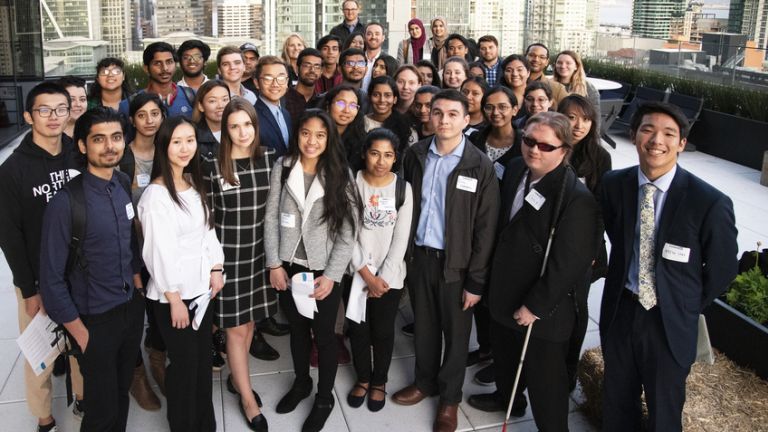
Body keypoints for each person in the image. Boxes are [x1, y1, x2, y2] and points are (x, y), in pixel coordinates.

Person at [600, 102, 738, 431]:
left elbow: (722, 270)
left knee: (664, 411)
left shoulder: (709, 201)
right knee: (617, 403)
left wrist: (684, 302)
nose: (656, 140)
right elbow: (615, 236)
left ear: (681, 144)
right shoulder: (613, 185)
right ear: (633, 136)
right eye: (647, 129)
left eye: (668, 133)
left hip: (669, 321)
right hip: (622, 311)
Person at [467, 112, 601, 432]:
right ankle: (508, 398)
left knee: (546, 383)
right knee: (506, 359)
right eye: (528, 140)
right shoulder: (515, 169)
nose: (534, 150)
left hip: (541, 308)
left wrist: (535, 306)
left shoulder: (576, 198)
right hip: (504, 290)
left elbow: (569, 264)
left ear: (564, 150)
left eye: (545, 145)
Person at [392, 90, 499, 432]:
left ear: (467, 120)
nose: (444, 120)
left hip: (458, 264)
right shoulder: (416, 154)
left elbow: (486, 228)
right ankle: (425, 382)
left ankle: (450, 399)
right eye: (437, 113)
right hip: (420, 257)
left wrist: (476, 280)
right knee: (424, 327)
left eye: (453, 114)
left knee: (455, 336)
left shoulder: (479, 165)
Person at [39, 107, 146, 432]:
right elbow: (51, 279)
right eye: (99, 139)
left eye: (115, 137)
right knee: (101, 409)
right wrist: (81, 334)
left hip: (130, 310)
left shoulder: (122, 182)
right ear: (83, 146)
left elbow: (129, 242)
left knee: (121, 393)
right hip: (93, 320)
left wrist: (138, 286)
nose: (110, 146)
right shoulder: (65, 203)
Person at [265, 110, 361, 432]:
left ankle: (323, 397)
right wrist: (274, 264)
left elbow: (349, 232)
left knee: (324, 335)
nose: (312, 141)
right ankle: (302, 382)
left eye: (320, 135)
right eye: (306, 133)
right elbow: (270, 219)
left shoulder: (339, 173)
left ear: (329, 138)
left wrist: (333, 275)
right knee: (296, 329)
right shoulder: (284, 166)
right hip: (290, 267)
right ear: (298, 134)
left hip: (323, 270)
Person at [0, 82, 82, 432]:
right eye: (44, 110)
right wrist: (28, 288)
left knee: (82, 343)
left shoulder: (79, 153)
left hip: (80, 272)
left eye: (60, 109)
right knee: (41, 355)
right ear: (28, 116)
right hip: (37, 277)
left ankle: (83, 397)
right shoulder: (13, 169)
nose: (53, 117)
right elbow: (9, 234)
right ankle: (44, 416)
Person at [138, 116, 225, 432]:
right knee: (186, 367)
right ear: (164, 145)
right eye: (177, 141)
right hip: (174, 296)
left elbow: (207, 232)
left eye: (190, 140)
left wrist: (216, 267)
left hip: (202, 291)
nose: (185, 147)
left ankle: (205, 424)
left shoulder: (192, 182)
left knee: (202, 363)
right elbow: (157, 253)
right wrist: (173, 298)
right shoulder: (156, 196)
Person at [204, 99, 277, 432]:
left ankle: (237, 378)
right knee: (234, 328)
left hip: (260, 255)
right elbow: (207, 221)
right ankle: (247, 399)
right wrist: (214, 266)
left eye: (247, 124)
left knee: (248, 325)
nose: (242, 132)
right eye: (234, 126)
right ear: (224, 129)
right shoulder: (213, 166)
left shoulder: (269, 159)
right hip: (229, 257)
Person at [345, 128, 413, 412]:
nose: (381, 161)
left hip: (389, 279)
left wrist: (381, 279)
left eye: (387, 155)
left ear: (395, 158)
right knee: (358, 329)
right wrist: (366, 275)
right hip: (356, 273)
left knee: (383, 332)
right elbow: (346, 233)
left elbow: (401, 238)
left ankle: (379, 381)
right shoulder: (352, 183)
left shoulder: (402, 188)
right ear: (364, 154)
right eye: (374, 153)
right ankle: (362, 376)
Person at [557, 94, 612, 391]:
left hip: (583, 246)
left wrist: (591, 249)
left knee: (577, 308)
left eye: (586, 119)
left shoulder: (600, 158)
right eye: (572, 117)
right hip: (549, 242)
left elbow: (601, 209)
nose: (579, 125)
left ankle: (568, 370)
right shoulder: (551, 146)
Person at [125, 92, 168, 409]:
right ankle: (136, 376)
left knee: (160, 311)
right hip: (130, 251)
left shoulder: (171, 150)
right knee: (130, 316)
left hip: (164, 250)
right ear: (132, 120)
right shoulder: (122, 155)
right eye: (142, 114)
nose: (150, 120)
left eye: (155, 113)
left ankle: (157, 359)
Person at [119, 42, 194, 119]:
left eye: (169, 62)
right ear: (146, 68)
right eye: (157, 63)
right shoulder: (129, 104)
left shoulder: (192, 96)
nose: (165, 68)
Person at [365, 76, 418, 155]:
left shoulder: (405, 127)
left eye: (387, 95)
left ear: (395, 99)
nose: (382, 100)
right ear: (369, 97)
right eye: (376, 95)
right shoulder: (360, 123)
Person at [254, 56, 292, 157]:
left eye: (281, 78)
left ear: (287, 82)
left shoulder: (286, 114)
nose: (275, 84)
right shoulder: (252, 116)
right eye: (268, 78)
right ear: (257, 83)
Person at [324, 85, 367, 170]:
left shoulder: (362, 140)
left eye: (352, 105)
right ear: (328, 106)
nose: (346, 110)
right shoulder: (316, 133)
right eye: (341, 103)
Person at [553, 50, 601, 123]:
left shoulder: (588, 89)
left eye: (568, 63)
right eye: (559, 62)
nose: (563, 66)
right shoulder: (549, 84)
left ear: (576, 66)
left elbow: (595, 118)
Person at [193, 80, 231, 160]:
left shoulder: (241, 130)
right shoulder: (193, 137)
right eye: (212, 101)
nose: (220, 106)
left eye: (225, 100)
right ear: (201, 106)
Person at [285, 48, 323, 125]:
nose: (312, 70)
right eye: (307, 65)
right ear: (297, 68)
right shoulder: (283, 99)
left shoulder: (322, 101)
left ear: (321, 71)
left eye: (317, 67)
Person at [499, 54, 530, 120]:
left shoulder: (537, 94)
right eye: (509, 70)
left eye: (519, 70)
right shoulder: (497, 96)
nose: (515, 74)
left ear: (528, 73)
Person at [362, 22, 386, 92]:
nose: (373, 37)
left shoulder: (388, 61)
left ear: (383, 38)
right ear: (364, 37)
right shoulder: (358, 59)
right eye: (369, 34)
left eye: (377, 34)